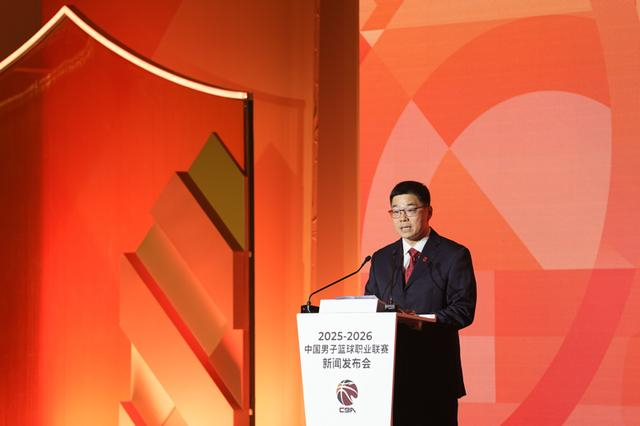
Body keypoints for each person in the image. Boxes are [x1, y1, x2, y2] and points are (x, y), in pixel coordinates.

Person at [364, 180, 477, 425]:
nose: (403, 218)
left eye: (410, 210)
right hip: (389, 377)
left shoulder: (453, 254)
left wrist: (420, 320)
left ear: (428, 212)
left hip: (434, 374)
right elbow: (370, 306)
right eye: (396, 211)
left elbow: (463, 309)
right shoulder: (381, 258)